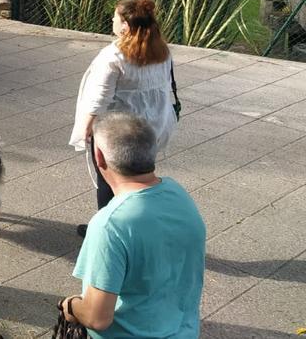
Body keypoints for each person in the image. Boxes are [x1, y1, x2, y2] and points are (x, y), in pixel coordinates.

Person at [61, 112, 205, 338]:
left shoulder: (110, 224)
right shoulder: (178, 194)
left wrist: (70, 305)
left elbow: (97, 318)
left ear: (99, 157)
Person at [71, 0, 177, 232]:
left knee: (109, 180)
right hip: (152, 125)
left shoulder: (114, 56)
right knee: (139, 179)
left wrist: (87, 127)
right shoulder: (161, 50)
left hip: (118, 129)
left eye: (115, 17)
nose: (112, 19)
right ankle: (137, 224)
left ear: (125, 26)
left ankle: (106, 229)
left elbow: (100, 97)